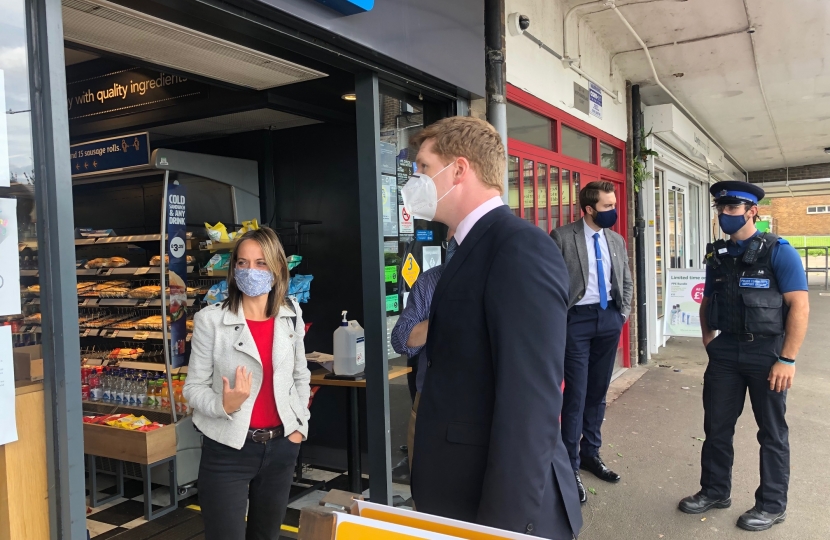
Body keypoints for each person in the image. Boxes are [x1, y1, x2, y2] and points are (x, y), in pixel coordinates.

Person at [404, 117, 582, 539]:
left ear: (459, 170)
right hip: (460, 492)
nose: (415, 181)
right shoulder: (468, 247)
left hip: (499, 510)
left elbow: (531, 402)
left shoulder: (518, 246)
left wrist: (502, 528)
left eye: (424, 168)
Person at [678, 181, 809, 532]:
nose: (724, 214)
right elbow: (707, 300)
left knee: (771, 432)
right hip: (725, 353)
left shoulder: (779, 251)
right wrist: (710, 342)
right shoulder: (717, 255)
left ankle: (771, 505)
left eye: (732, 209)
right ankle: (715, 491)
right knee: (717, 427)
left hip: (767, 353)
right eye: (720, 209)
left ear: (752, 211)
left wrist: (788, 359)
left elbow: (799, 305)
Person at [183, 227, 311, 540]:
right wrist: (222, 405)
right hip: (228, 450)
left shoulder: (291, 314)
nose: (250, 271)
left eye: (260, 263)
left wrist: (299, 427)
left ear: (278, 268)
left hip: (281, 448)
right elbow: (192, 388)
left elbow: (300, 374)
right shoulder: (210, 320)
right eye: (242, 263)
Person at [550, 181, 633, 504]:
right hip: (577, 322)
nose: (613, 211)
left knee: (598, 392)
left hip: (609, 319)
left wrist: (622, 313)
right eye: (607, 207)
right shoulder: (562, 237)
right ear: (587, 209)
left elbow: (625, 278)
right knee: (577, 394)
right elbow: (553, 283)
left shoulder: (616, 239)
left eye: (613, 205)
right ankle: (569, 466)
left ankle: (590, 454)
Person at [390, 229, 457, 483]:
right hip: (431, 402)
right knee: (427, 489)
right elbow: (401, 340)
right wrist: (443, 315)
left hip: (480, 406)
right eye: (451, 238)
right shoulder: (430, 283)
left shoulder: (500, 280)